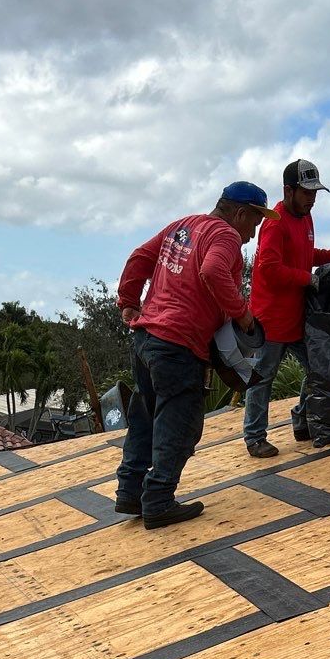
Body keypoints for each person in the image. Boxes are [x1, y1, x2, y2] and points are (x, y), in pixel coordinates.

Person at [115, 181, 272, 527]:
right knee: (181, 424)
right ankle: (158, 500)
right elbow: (213, 271)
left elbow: (140, 257)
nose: (253, 233)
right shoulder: (226, 235)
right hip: (178, 346)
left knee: (145, 416)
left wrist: (129, 301)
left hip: (146, 339)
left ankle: (130, 491)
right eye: (255, 222)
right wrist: (242, 314)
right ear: (241, 213)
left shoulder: (182, 226)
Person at [243, 158, 330, 457]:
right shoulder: (274, 222)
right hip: (269, 320)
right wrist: (308, 279)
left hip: (297, 316)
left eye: (315, 193)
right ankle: (254, 437)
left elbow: (304, 254)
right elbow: (269, 268)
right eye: (307, 192)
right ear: (288, 190)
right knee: (262, 378)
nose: (312, 199)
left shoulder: (306, 217)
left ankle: (301, 418)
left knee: (319, 369)